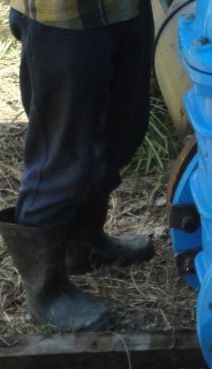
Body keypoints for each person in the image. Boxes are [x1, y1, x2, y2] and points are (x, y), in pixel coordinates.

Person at [0, 0, 155, 331]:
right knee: (61, 156)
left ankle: (82, 243)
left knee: (120, 133)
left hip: (127, 8)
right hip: (62, 17)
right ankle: (46, 292)